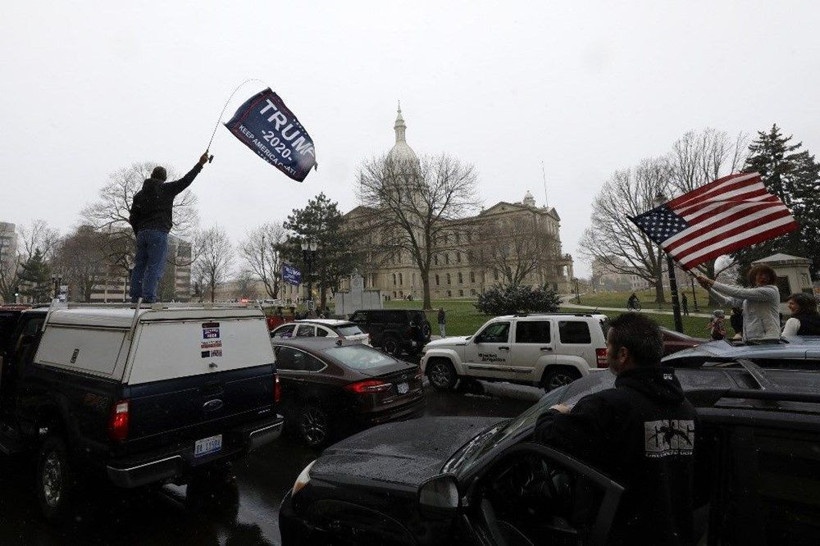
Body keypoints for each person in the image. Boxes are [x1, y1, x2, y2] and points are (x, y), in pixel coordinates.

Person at [534, 313, 696, 545]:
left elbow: (548, 437)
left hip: (620, 533)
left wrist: (554, 413)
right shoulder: (686, 408)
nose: (605, 349)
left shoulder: (608, 406)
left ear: (622, 354)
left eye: (608, 344)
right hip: (674, 532)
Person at [129, 152, 209, 303]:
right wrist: (200, 164)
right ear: (164, 179)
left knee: (139, 265)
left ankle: (135, 296)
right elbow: (186, 181)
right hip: (158, 232)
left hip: (142, 233)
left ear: (151, 176)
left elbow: (132, 217)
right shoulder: (166, 189)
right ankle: (148, 298)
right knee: (154, 266)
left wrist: (138, 233)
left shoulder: (139, 196)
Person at [696, 265, 780, 342]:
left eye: (767, 275)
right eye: (761, 274)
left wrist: (710, 282)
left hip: (768, 339)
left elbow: (737, 292)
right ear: (754, 277)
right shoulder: (750, 294)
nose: (764, 277)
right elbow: (727, 302)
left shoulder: (771, 291)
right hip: (750, 340)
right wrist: (709, 289)